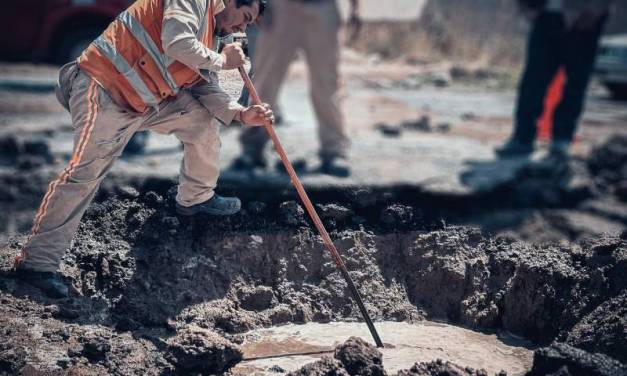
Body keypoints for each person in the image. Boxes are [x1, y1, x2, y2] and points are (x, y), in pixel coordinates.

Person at [13, 0, 273, 298]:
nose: (242, 27)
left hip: (145, 101)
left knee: (201, 120)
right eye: (245, 17)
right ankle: (36, 266)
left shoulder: (212, 35)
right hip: (103, 88)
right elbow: (177, 43)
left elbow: (203, 87)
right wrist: (221, 60)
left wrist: (241, 113)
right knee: (84, 176)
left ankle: (195, 199)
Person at [232, 0, 361, 177]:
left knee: (327, 82)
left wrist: (355, 9)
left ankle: (334, 150)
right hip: (281, 8)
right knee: (266, 79)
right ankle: (253, 148)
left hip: (323, 7)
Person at [496, 0, 612, 159]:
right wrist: (527, 9)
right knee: (533, 81)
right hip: (545, 14)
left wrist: (595, 10)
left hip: (583, 19)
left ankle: (562, 139)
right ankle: (522, 137)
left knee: (575, 82)